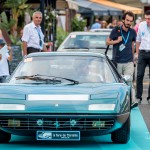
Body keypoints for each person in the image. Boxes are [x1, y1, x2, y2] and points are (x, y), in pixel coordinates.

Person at [106, 11, 138, 109]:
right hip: (117, 61)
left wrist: (133, 60)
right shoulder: (116, 30)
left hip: (128, 61)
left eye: (131, 21)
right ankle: (119, 103)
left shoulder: (132, 32)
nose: (129, 22)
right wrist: (117, 41)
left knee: (129, 82)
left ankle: (132, 102)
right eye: (127, 20)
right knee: (119, 84)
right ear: (123, 20)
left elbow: (132, 46)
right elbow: (107, 42)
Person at [135, 10, 150, 104]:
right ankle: (138, 97)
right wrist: (137, 53)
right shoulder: (141, 25)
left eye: (149, 19)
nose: (148, 20)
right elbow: (138, 40)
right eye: (146, 18)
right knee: (139, 75)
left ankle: (149, 97)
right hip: (142, 53)